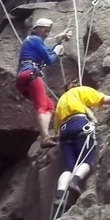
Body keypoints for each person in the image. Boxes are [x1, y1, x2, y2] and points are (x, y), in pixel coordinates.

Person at [52, 81, 110, 209]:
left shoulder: (61, 101)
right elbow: (102, 98)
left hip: (64, 131)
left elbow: (56, 126)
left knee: (68, 168)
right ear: (75, 86)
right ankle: (75, 182)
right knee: (87, 159)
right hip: (79, 124)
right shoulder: (79, 91)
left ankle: (60, 196)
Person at [16, 18, 70, 148]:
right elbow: (49, 58)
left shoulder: (32, 41)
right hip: (31, 74)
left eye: (48, 31)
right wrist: (57, 51)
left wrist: (58, 42)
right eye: (45, 30)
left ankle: (45, 135)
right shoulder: (35, 39)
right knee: (42, 105)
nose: (46, 33)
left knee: (49, 104)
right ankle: (45, 137)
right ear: (37, 28)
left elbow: (46, 51)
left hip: (23, 78)